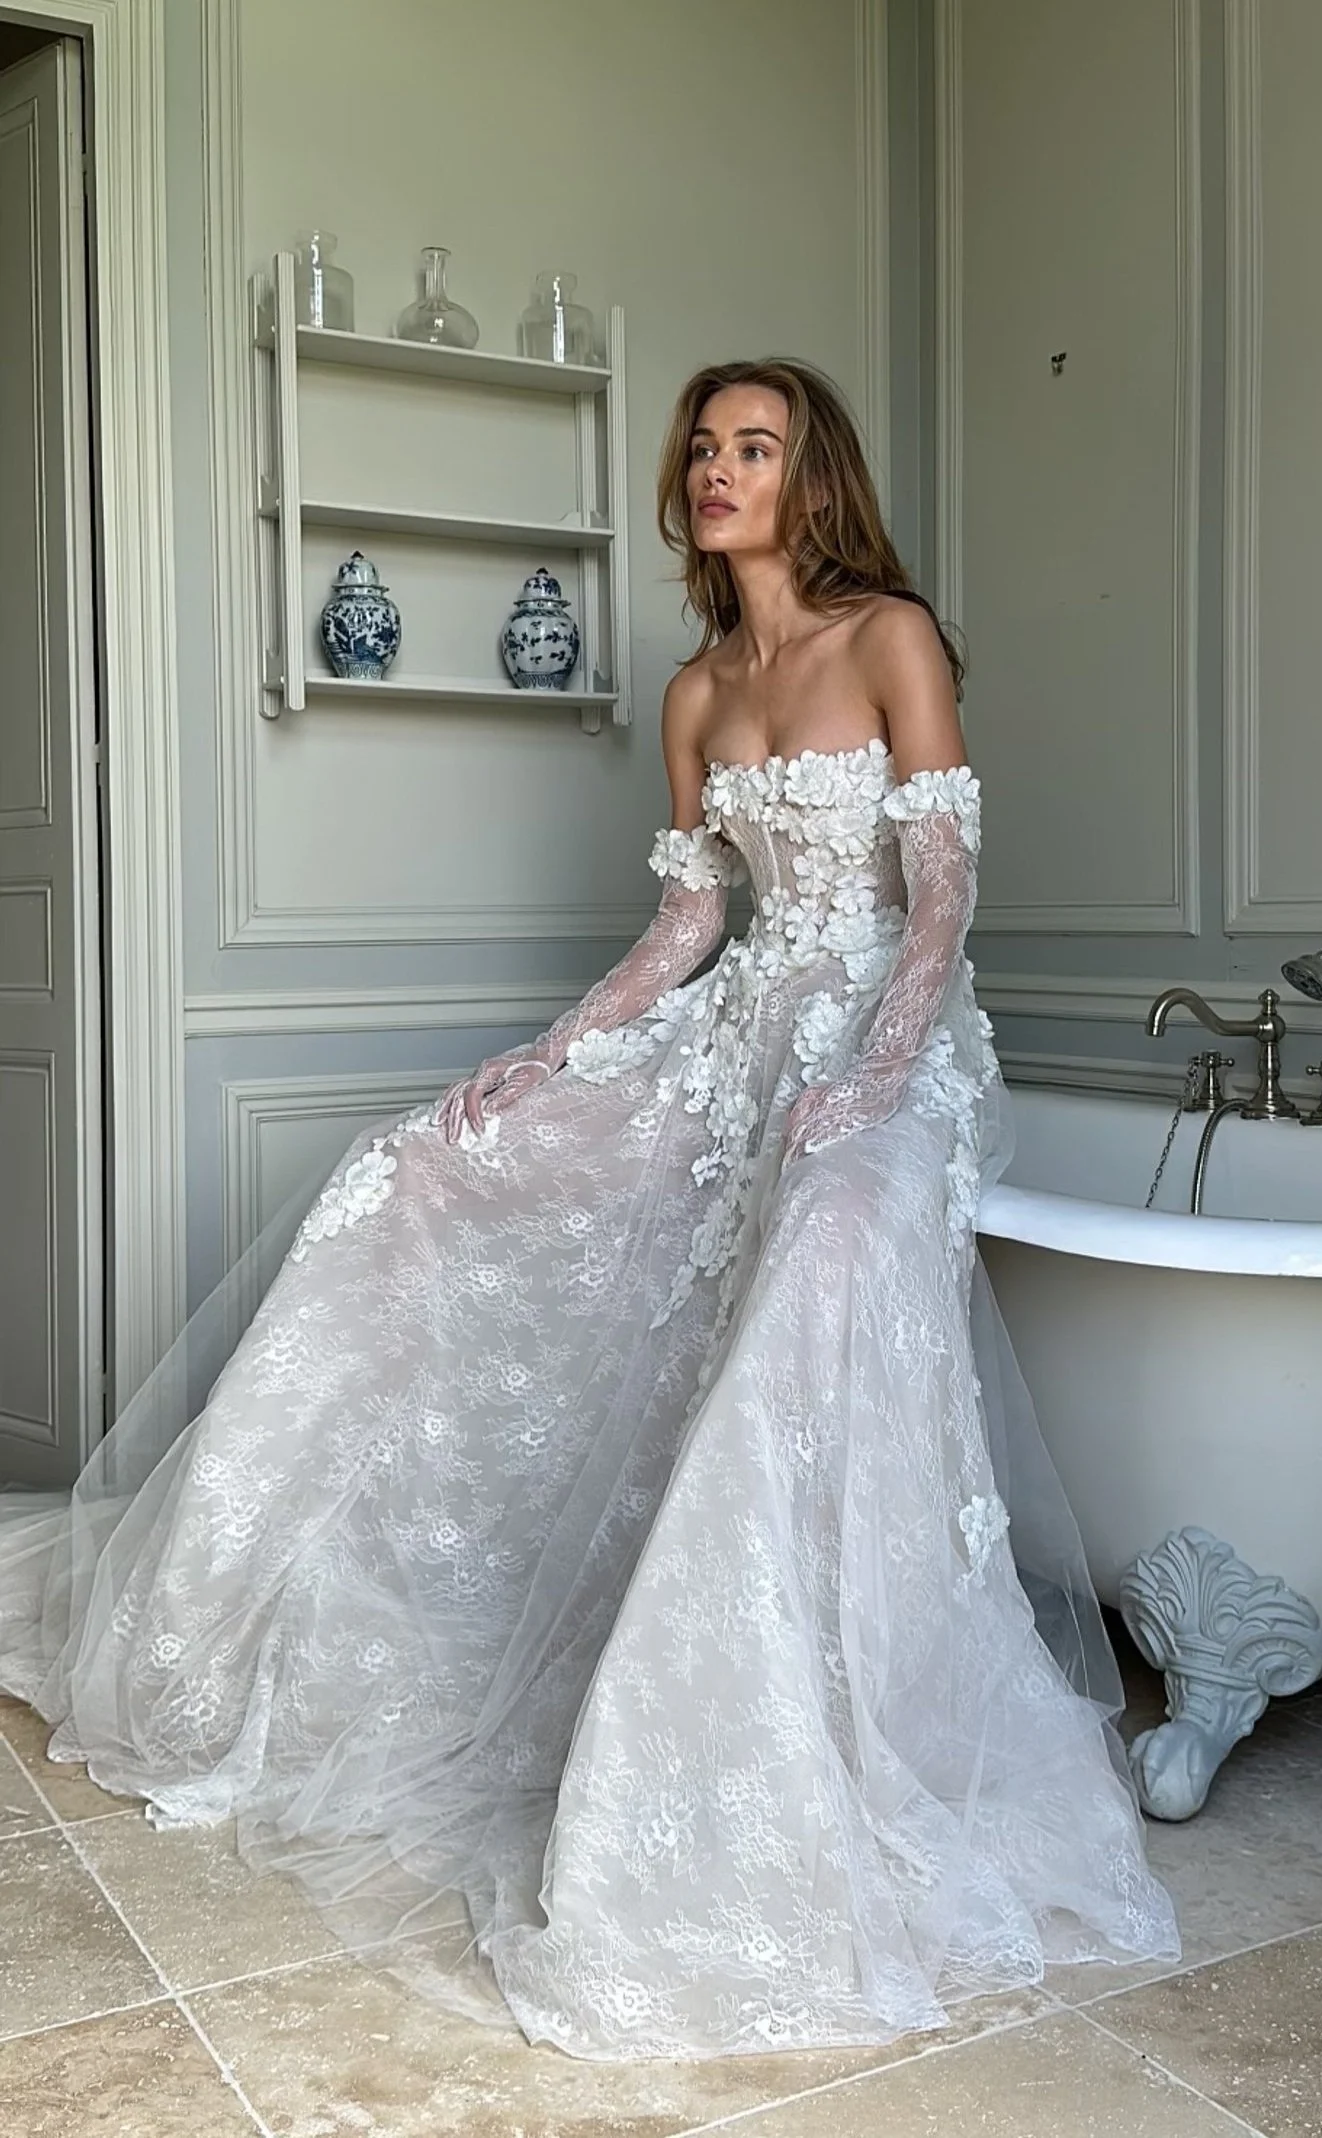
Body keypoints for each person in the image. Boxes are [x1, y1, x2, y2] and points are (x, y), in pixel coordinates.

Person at [0, 358, 1176, 2059]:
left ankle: (798, 1718)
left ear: (812, 480)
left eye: (753, 447)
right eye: (702, 447)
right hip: (740, 1037)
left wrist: (877, 1075)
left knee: (832, 1229)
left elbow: (942, 899)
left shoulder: (892, 639)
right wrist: (546, 1056)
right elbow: (691, 928)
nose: (716, 469)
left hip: (895, 1047)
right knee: (411, 1165)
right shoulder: (699, 690)